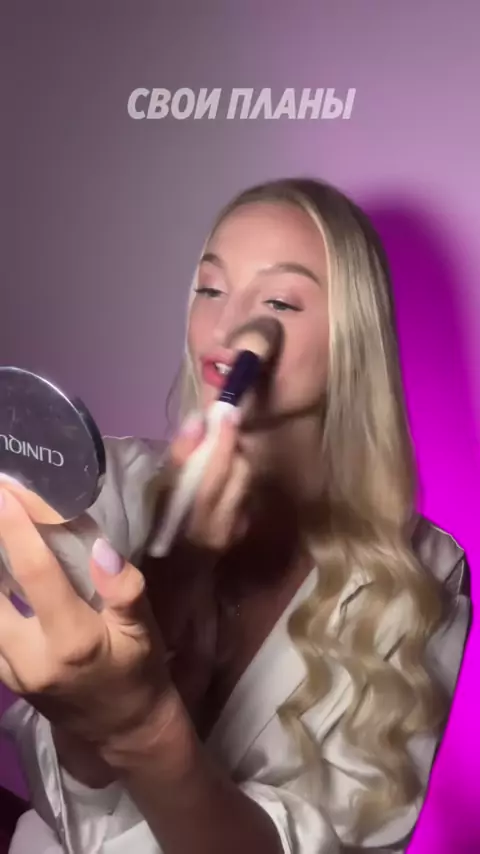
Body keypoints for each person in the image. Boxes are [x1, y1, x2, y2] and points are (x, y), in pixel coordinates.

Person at [0, 177, 471, 854]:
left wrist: (145, 727)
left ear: (353, 339)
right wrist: (174, 568)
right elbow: (78, 810)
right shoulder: (109, 484)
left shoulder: (421, 576)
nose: (231, 329)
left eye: (279, 300)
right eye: (210, 289)